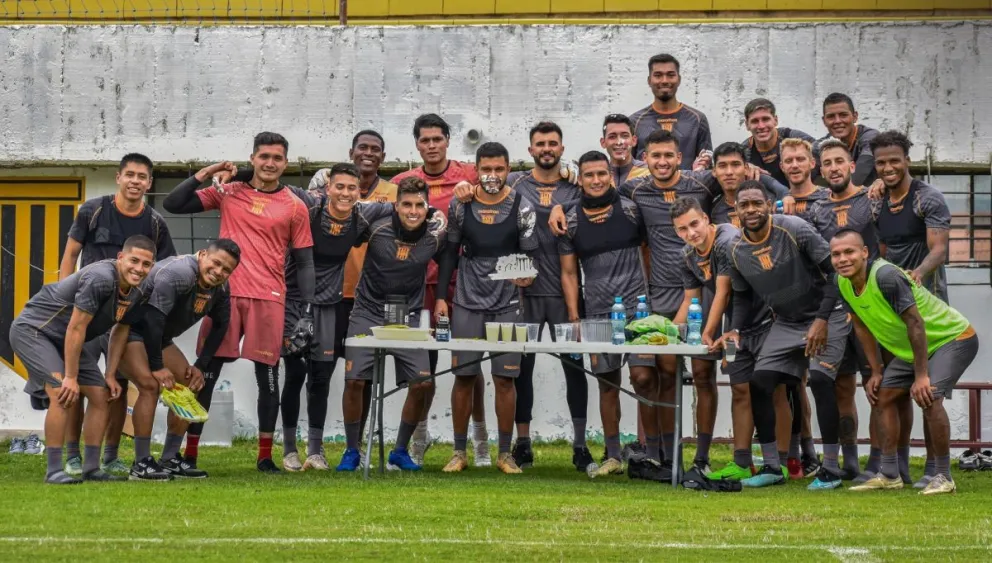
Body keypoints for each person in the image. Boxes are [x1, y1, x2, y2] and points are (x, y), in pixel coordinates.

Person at [162, 132, 316, 473]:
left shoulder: (295, 205)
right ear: (253, 158)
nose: (270, 163)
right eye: (264, 156)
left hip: (269, 298)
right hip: (223, 296)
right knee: (205, 374)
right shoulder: (229, 191)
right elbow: (173, 204)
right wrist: (208, 171)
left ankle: (264, 456)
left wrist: (307, 311)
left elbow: (305, 263)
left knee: (268, 378)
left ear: (285, 163)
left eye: (277, 157)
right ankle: (189, 455)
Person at [722, 181, 850, 491]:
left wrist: (821, 319)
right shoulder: (734, 249)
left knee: (820, 381)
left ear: (769, 204)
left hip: (828, 313)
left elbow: (835, 271)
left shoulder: (794, 227)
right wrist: (735, 329)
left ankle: (830, 468)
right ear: (736, 211)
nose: (751, 210)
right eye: (744, 205)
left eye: (756, 203)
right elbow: (740, 296)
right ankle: (771, 467)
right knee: (759, 382)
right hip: (788, 321)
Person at [832, 230, 978, 495]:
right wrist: (876, 370)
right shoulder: (842, 283)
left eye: (849, 252)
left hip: (952, 338)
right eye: (836, 254)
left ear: (864, 253)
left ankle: (943, 476)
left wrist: (921, 376)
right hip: (915, 349)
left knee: (928, 396)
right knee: (883, 396)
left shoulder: (886, 276)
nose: (842, 259)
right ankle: (889, 474)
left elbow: (915, 323)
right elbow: (862, 326)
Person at [58, 153, 176, 477]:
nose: (136, 181)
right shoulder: (93, 210)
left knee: (117, 386)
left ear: (150, 183)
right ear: (118, 177)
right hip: (88, 312)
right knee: (80, 384)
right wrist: (67, 300)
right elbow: (70, 254)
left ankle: (110, 455)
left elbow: (164, 270)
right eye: (130, 175)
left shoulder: (155, 223)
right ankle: (71, 454)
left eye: (142, 177)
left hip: (127, 316)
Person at [10, 235, 156, 484]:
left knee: (100, 396)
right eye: (134, 260)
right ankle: (54, 470)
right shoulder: (100, 278)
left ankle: (91, 469)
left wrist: (110, 373)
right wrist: (70, 376)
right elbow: (76, 328)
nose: (139, 268)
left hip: (67, 337)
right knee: (62, 393)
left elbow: (121, 329)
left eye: (146, 264)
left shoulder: (142, 288)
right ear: (121, 258)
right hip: (35, 331)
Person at [391, 114, 489, 466]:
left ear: (449, 140)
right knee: (422, 368)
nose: (431, 145)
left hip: (462, 283)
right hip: (417, 285)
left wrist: (569, 170)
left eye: (437, 138)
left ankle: (479, 441)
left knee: (468, 364)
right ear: (417, 144)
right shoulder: (402, 182)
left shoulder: (468, 174)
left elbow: (507, 184)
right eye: (425, 140)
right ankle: (419, 437)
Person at [434, 141, 538, 475]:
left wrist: (526, 275)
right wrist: (440, 296)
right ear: (476, 170)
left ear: (509, 170)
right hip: (466, 300)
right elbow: (449, 252)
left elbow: (530, 257)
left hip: (506, 303)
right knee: (464, 377)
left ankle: (505, 453)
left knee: (504, 379)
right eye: (486, 169)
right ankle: (459, 452)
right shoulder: (461, 205)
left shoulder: (522, 206)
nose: (492, 175)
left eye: (498, 169)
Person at [342, 177, 447, 472]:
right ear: (396, 204)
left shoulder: (436, 227)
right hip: (367, 309)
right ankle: (351, 451)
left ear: (427, 207)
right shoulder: (376, 219)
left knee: (423, 382)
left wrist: (440, 298)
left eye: (419, 205)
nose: (412, 211)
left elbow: (449, 255)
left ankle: (399, 450)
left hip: (406, 312)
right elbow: (342, 227)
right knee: (354, 381)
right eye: (406, 204)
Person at [114, 240, 241, 480]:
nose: (219, 272)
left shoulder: (221, 287)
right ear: (202, 255)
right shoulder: (178, 273)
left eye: (226, 270)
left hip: (158, 338)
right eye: (215, 263)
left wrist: (200, 366)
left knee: (189, 383)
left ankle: (170, 458)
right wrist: (157, 367)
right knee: (150, 386)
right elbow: (153, 320)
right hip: (128, 331)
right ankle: (141, 463)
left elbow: (222, 324)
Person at [869, 130, 953, 489]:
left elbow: (939, 250)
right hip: (892, 304)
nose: (888, 168)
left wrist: (916, 274)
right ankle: (895, 468)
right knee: (895, 389)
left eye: (894, 160)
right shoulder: (877, 201)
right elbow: (881, 247)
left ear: (907, 160)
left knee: (928, 392)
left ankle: (936, 469)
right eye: (881, 163)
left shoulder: (927, 198)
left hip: (927, 302)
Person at [558, 151, 648, 479]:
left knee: (643, 378)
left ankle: (650, 452)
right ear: (579, 179)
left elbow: (649, 251)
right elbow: (569, 274)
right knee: (607, 385)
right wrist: (574, 317)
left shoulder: (631, 210)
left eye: (601, 174)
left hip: (639, 312)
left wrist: (649, 299)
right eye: (589, 175)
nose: (596, 180)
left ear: (610, 175)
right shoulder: (569, 219)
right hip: (596, 311)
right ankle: (613, 455)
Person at [808, 138, 884, 482]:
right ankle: (850, 461)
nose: (834, 168)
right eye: (827, 163)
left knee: (878, 383)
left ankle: (881, 462)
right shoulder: (816, 209)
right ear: (820, 171)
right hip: (836, 307)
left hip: (873, 304)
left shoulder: (871, 199)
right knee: (841, 385)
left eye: (839, 161)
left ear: (851, 165)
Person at [671, 197, 736, 474]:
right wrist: (667, 333)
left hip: (748, 312)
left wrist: (708, 332)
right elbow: (690, 301)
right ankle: (701, 457)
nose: (691, 233)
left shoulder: (726, 240)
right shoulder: (687, 254)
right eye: (683, 229)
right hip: (715, 310)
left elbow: (725, 291)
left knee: (745, 384)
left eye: (694, 224)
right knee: (701, 375)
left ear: (706, 219)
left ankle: (759, 457)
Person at [630, 53, 712, 167]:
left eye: (670, 75)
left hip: (688, 184)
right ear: (649, 80)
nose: (664, 80)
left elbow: (706, 164)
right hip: (646, 185)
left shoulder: (697, 120)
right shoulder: (635, 121)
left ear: (679, 79)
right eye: (658, 75)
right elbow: (628, 165)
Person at [741, 98, 816, 187]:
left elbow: (824, 151)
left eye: (765, 119)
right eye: (754, 121)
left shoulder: (792, 137)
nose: (761, 126)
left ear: (775, 120)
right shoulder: (744, 152)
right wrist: (743, 167)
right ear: (747, 125)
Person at [814, 93, 880, 186]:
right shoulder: (822, 145)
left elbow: (859, 174)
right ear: (824, 121)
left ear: (855, 117)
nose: (837, 121)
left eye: (843, 115)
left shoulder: (870, 137)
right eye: (831, 116)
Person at [600, 114, 649, 187]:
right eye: (612, 137)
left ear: (634, 140)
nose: (619, 142)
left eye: (625, 136)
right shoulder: (597, 175)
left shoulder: (649, 172)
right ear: (603, 142)